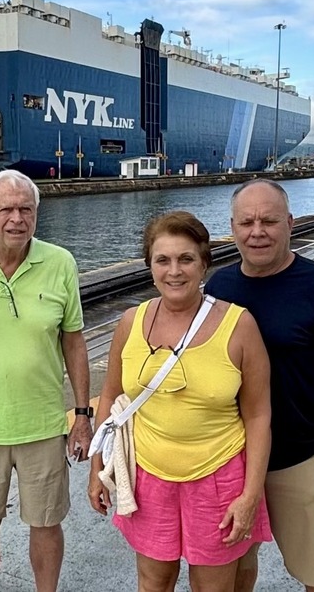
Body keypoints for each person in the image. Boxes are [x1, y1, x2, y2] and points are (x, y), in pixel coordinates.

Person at [88, 211, 272, 592]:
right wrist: (97, 469)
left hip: (219, 477)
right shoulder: (130, 322)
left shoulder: (239, 326)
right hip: (149, 478)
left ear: (204, 263)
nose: (174, 271)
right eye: (163, 260)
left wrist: (251, 494)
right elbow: (109, 395)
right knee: (154, 581)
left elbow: (258, 415)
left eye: (186, 259)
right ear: (150, 266)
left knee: (213, 586)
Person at [204, 180, 314, 592]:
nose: (257, 231)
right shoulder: (218, 288)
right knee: (235, 571)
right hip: (232, 464)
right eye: (246, 221)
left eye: (269, 220)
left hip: (299, 461)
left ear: (290, 224)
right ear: (232, 227)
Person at [0, 169, 93, 592]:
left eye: (26, 208)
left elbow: (74, 341)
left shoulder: (60, 262)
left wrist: (82, 415)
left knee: (46, 523)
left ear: (37, 214)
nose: (16, 218)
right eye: (6, 208)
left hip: (42, 425)